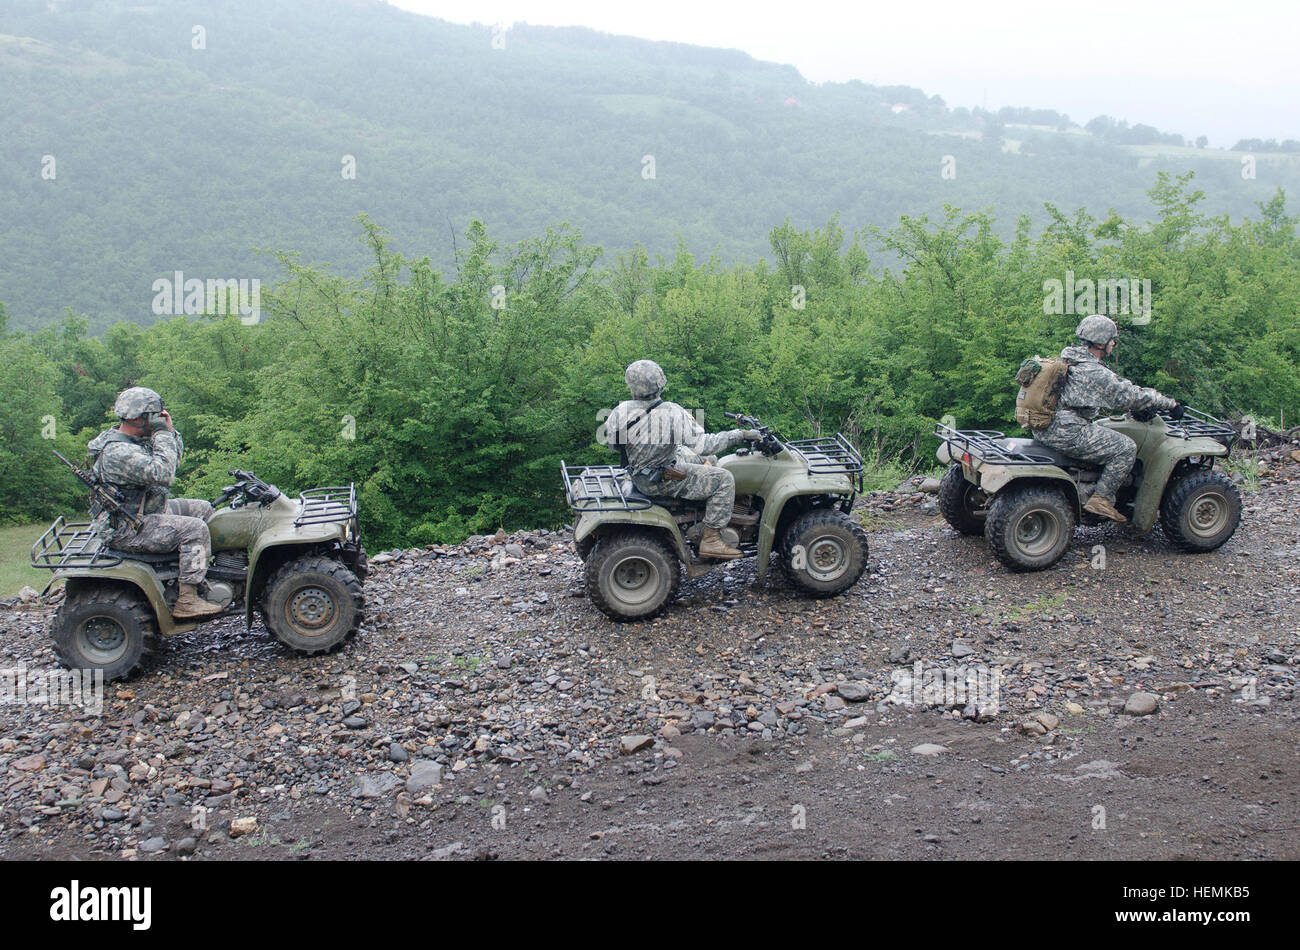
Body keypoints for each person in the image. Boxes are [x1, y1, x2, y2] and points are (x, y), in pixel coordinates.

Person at [87, 387, 224, 618]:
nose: (159, 418)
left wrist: (168, 432)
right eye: (155, 415)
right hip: (127, 528)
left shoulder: (135, 437)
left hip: (145, 510)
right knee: (195, 529)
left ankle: (204, 573)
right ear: (141, 417)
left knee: (204, 509)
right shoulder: (118, 451)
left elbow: (174, 460)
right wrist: (161, 434)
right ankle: (187, 600)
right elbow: (164, 474)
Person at [604, 360, 762, 559]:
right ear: (661, 382)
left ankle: (701, 515)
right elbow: (705, 444)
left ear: (631, 385)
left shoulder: (620, 411)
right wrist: (739, 434)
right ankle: (711, 539)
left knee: (709, 459)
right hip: (662, 479)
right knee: (724, 479)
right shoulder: (671, 411)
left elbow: (614, 447)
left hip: (638, 474)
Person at [1032, 315, 1180, 523]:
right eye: (1112, 339)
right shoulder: (1092, 371)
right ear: (1100, 342)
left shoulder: (1068, 360)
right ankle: (1101, 499)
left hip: (1045, 427)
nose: (1113, 343)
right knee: (1126, 447)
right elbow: (1128, 395)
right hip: (1067, 431)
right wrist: (1169, 403)